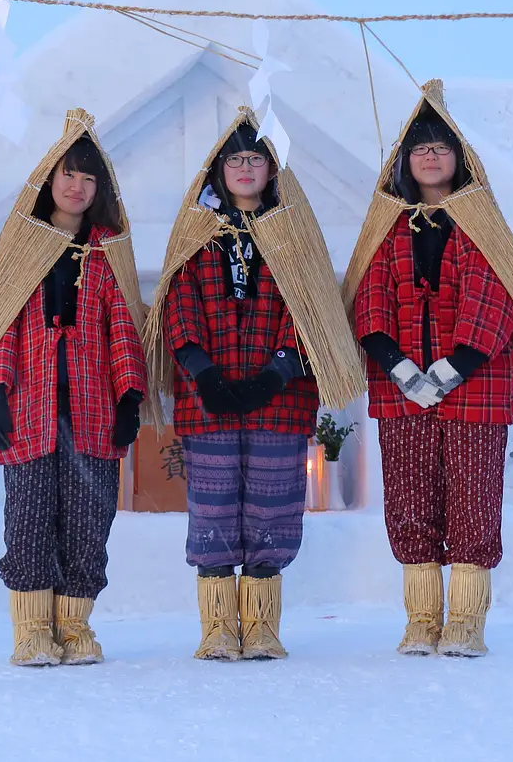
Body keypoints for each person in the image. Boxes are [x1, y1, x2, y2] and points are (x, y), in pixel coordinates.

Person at [343, 80, 513, 658]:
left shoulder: (483, 225)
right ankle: (421, 618)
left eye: (441, 147)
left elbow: (493, 296)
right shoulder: (388, 227)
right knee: (408, 500)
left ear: (459, 158)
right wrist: (401, 368)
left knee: (474, 499)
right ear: (404, 161)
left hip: (476, 387)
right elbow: (371, 297)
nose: (430, 156)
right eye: (419, 148)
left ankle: (467, 621)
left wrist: (452, 368)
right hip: (402, 392)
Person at [146, 107, 363, 662]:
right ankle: (218, 628)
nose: (245, 167)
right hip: (208, 397)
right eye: (235, 159)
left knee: (273, 507)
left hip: (281, 398)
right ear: (218, 172)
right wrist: (202, 371)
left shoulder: (294, 232)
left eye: (255, 158)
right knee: (213, 506)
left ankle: (262, 626)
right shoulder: (196, 233)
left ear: (272, 169)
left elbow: (309, 299)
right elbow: (179, 301)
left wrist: (280, 370)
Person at [0, 109, 148, 667]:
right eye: (68, 175)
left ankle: (75, 627)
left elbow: (122, 326)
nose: (77, 187)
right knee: (29, 517)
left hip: (93, 409)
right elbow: (1, 321)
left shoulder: (107, 250)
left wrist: (130, 396)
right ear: (48, 181)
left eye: (88, 178)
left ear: (99, 189)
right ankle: (32, 629)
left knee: (87, 519)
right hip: (30, 407)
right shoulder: (21, 246)